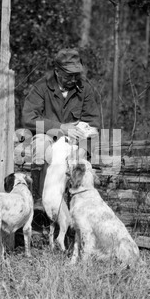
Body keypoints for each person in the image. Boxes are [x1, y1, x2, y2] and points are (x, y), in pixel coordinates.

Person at [22, 48, 100, 210]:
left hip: (76, 140)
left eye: (76, 74)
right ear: (57, 71)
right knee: (41, 147)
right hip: (47, 136)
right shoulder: (41, 87)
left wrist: (84, 136)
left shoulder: (85, 89)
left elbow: (93, 122)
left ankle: (76, 204)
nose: (73, 79)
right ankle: (39, 201)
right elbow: (29, 119)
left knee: (78, 159)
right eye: (68, 75)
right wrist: (61, 128)